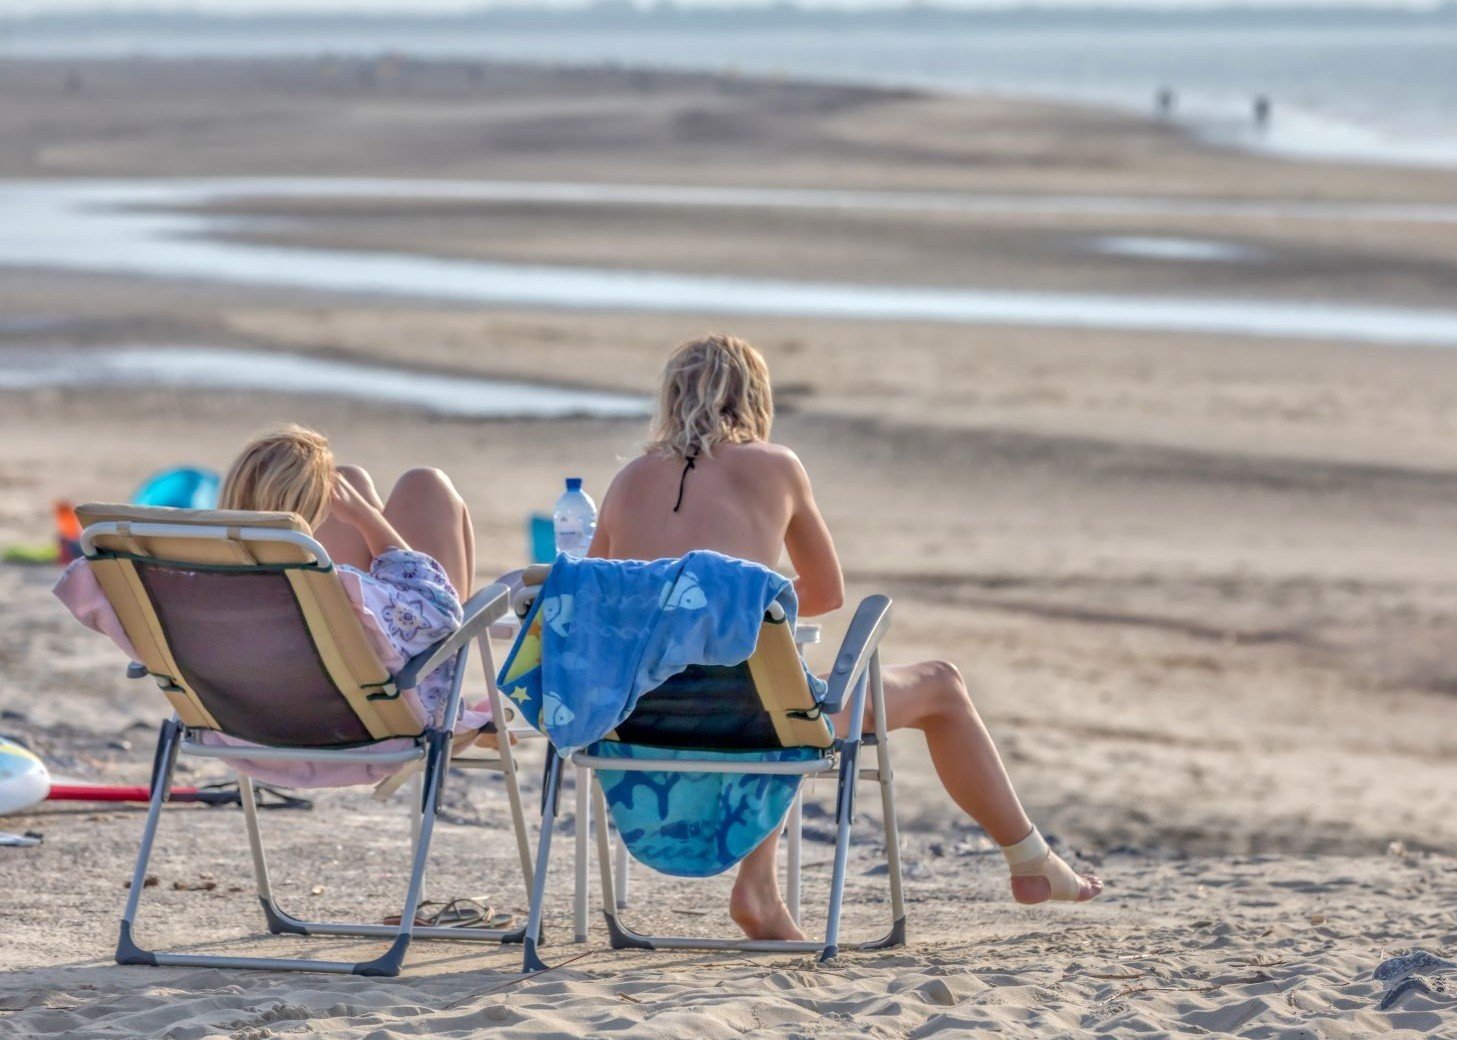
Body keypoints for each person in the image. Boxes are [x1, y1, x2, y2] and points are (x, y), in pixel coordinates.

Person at [589, 334, 1104, 942]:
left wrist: (693, 629)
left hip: (636, 721)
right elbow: (827, 591)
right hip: (759, 720)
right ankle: (1030, 862)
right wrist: (735, 618)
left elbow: (602, 603)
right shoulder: (776, 465)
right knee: (939, 685)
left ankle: (760, 892)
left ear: (672, 397)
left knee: (760, 687)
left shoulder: (627, 480)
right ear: (754, 397)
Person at [57, 424, 490, 743]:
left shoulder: (181, 589)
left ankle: (293, 505)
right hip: (382, 722)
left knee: (352, 475)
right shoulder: (345, 589)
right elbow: (440, 610)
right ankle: (473, 724)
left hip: (241, 723)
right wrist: (366, 521)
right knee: (425, 483)